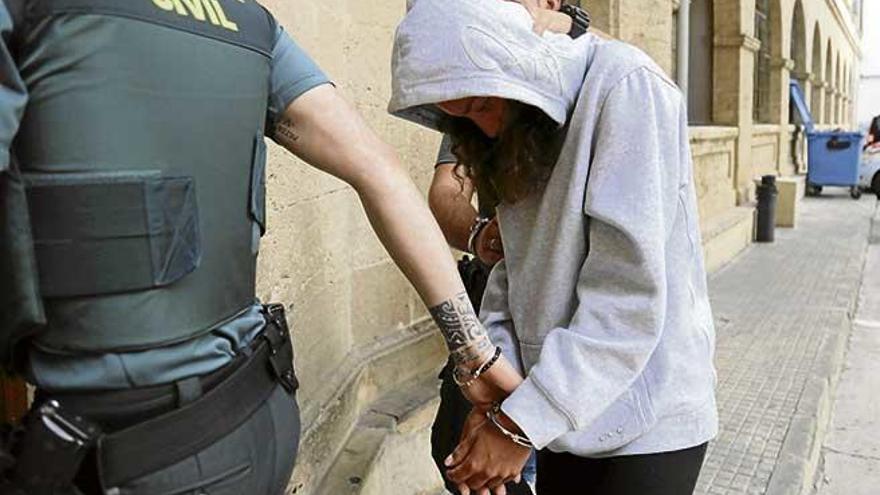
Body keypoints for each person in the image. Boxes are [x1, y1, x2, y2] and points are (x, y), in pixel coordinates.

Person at [0, 1, 524, 493]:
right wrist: (475, 352)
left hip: (130, 451)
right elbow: (381, 173)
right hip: (259, 412)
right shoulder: (247, 20)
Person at [389, 1, 718, 494]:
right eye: (462, 116)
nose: (488, 126)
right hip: (566, 417)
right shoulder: (507, 125)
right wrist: (498, 395)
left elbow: (624, 300)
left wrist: (517, 424)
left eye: (482, 104)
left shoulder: (627, 88)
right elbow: (511, 272)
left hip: (648, 422)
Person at [427, 2, 592, 493]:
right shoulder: (477, 81)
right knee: (457, 452)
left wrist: (570, 28)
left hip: (583, 329)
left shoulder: (604, 76)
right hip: (502, 314)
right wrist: (481, 236)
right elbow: (446, 190)